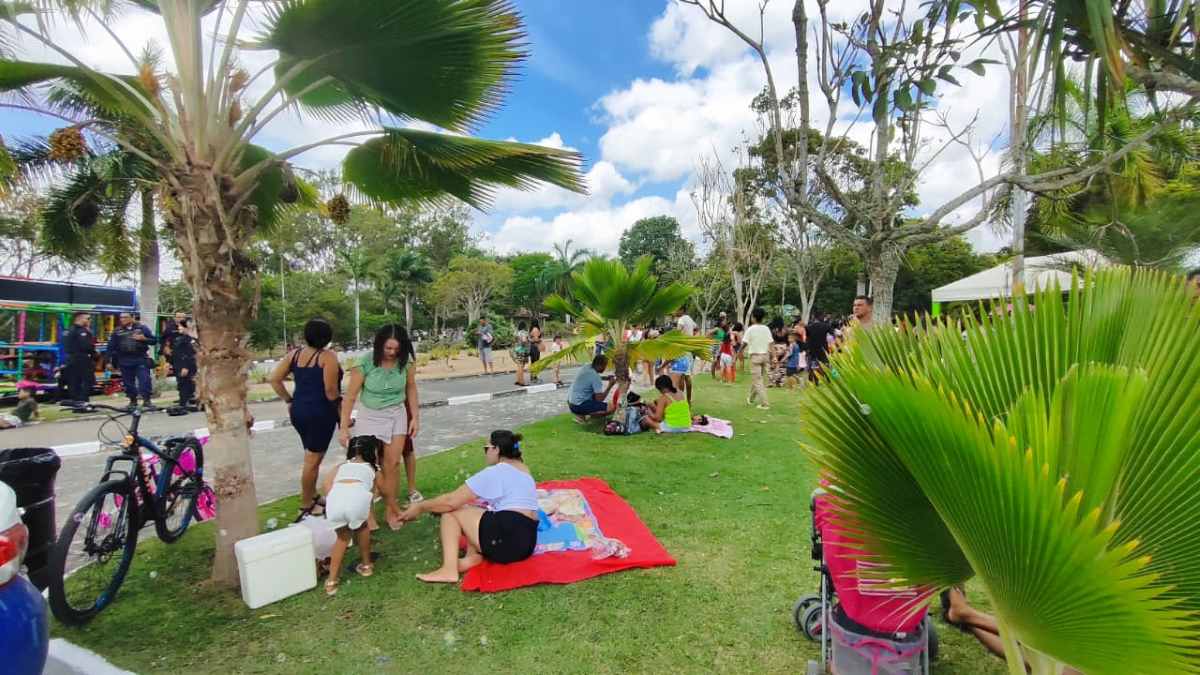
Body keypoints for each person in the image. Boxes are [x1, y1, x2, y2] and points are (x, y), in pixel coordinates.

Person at [401, 429, 538, 583]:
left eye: (486, 449)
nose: (485, 453)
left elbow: (450, 501)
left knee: (451, 513)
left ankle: (449, 570)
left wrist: (420, 507)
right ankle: (472, 558)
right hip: (526, 544)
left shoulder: (496, 472)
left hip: (506, 538)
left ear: (496, 449)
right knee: (478, 512)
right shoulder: (524, 470)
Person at [340, 324, 422, 530]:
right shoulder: (365, 363)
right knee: (367, 465)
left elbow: (411, 388)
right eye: (388, 349)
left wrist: (415, 417)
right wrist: (343, 427)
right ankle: (367, 514)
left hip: (397, 414)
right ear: (379, 346)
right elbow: (350, 397)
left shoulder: (406, 362)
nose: (392, 353)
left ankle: (389, 510)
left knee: (392, 464)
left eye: (396, 349)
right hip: (370, 415)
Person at [270, 318, 343, 514]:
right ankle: (306, 504)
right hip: (320, 412)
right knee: (312, 459)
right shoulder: (328, 357)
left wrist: (289, 400)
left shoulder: (294, 355)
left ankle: (312, 495)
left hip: (299, 411)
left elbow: (274, 379)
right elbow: (330, 391)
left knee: (312, 456)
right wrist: (341, 412)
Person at [321, 435, 385, 596]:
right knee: (363, 528)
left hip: (335, 501)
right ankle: (366, 566)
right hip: (356, 501)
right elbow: (383, 489)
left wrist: (335, 498)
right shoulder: (374, 469)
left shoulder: (341, 466)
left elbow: (326, 485)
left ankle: (331, 582)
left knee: (342, 538)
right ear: (373, 452)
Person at [107, 311, 157, 409]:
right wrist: (108, 362)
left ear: (132, 317)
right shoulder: (117, 331)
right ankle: (132, 402)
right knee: (128, 383)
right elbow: (111, 347)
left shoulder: (142, 328)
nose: (123, 319)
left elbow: (154, 341)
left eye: (125, 317)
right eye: (121, 317)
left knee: (145, 380)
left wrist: (144, 339)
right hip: (124, 360)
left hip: (140, 359)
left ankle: (147, 401)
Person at [568, 354, 620, 423]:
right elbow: (600, 399)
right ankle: (588, 415)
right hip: (579, 406)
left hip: (571, 403)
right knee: (612, 407)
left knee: (593, 395)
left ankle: (581, 416)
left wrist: (605, 378)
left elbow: (589, 378)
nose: (605, 368)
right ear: (600, 365)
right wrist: (610, 386)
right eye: (605, 365)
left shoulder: (587, 366)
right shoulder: (595, 377)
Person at [62, 311, 96, 406]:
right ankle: (83, 403)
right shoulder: (81, 331)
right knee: (86, 381)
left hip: (71, 359)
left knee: (74, 381)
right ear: (79, 319)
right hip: (82, 359)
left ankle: (76, 403)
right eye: (88, 318)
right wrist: (94, 352)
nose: (90, 321)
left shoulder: (68, 330)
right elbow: (86, 346)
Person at [744, 308, 772, 409]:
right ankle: (750, 399)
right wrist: (774, 356)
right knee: (758, 380)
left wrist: (737, 354)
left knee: (758, 380)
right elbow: (771, 342)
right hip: (765, 356)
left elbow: (744, 343)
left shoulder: (751, 329)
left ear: (754, 317)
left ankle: (765, 404)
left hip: (755, 357)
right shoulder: (766, 328)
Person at [170, 318, 199, 411]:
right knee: (183, 384)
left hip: (187, 366)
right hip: (179, 364)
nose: (179, 328)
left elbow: (188, 354)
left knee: (187, 384)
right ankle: (184, 402)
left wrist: (185, 366)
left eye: (181, 326)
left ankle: (187, 403)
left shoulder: (190, 340)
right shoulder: (179, 338)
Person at [670, 308, 698, 404]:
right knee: (688, 375)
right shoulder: (689, 318)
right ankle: (688, 400)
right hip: (689, 350)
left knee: (681, 375)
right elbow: (696, 327)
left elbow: (677, 333)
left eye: (677, 309)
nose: (676, 311)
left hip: (682, 350)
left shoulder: (681, 319)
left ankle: (682, 400)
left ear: (682, 310)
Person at [805, 314, 834, 384]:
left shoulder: (808, 327)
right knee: (826, 364)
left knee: (813, 365)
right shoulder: (826, 326)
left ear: (814, 318)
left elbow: (806, 338)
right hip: (823, 348)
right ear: (823, 319)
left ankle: (814, 380)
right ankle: (828, 379)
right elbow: (832, 333)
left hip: (812, 349)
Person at [513, 321, 529, 386]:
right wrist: (525, 344)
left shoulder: (516, 332)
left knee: (518, 366)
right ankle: (522, 381)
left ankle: (518, 380)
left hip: (517, 350)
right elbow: (524, 341)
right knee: (521, 366)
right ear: (524, 326)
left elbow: (514, 340)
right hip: (522, 350)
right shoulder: (524, 333)